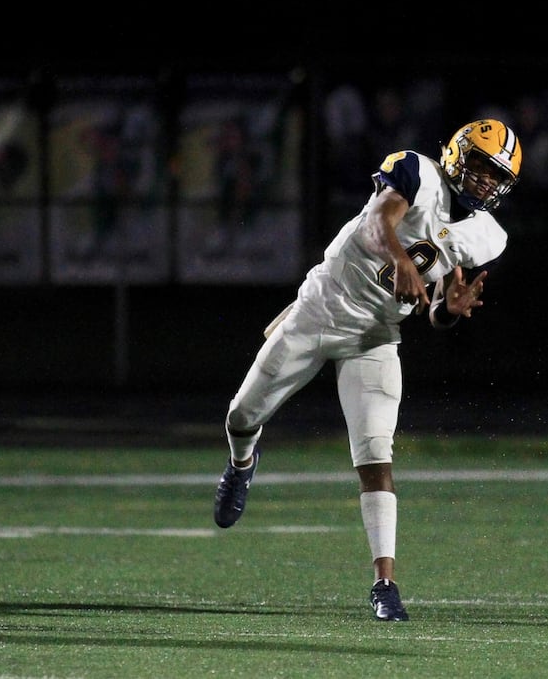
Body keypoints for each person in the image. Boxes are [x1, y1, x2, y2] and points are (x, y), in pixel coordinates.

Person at [212, 118, 522, 622]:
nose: (486, 182)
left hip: (376, 335)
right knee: (240, 416)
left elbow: (436, 308)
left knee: (376, 457)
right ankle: (242, 465)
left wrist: (452, 307)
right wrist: (400, 258)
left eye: (496, 175)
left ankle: (384, 584)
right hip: (321, 309)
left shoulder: (486, 234)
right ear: (456, 156)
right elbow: (380, 223)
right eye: (481, 167)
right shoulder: (416, 171)